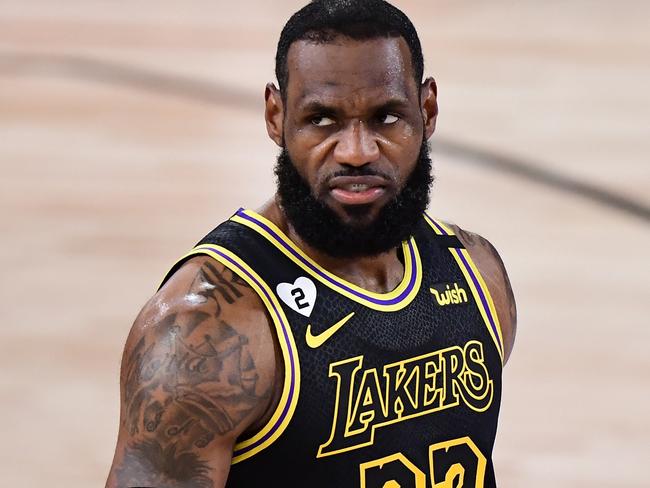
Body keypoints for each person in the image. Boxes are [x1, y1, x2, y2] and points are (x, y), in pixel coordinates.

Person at [106, 0, 517, 486]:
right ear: (276, 116)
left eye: (387, 117)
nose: (357, 151)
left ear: (427, 110)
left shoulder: (476, 277)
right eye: (322, 120)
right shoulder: (205, 330)